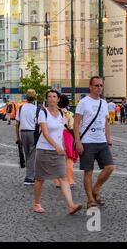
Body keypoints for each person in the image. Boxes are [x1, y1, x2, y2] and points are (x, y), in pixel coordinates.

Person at [33, 90, 82, 215]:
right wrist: (56, 147)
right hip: (44, 150)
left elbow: (61, 133)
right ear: (46, 99)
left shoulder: (61, 113)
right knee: (40, 179)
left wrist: (64, 148)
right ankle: (37, 204)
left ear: (58, 99)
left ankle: (71, 205)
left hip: (58, 151)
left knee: (63, 177)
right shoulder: (43, 113)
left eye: (54, 97)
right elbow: (45, 132)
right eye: (49, 97)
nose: (52, 99)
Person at [74, 76, 115, 208]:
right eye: (96, 85)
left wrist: (109, 143)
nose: (99, 88)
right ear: (90, 87)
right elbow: (76, 124)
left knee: (110, 167)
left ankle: (96, 188)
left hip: (102, 141)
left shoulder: (104, 103)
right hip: (87, 141)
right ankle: (90, 199)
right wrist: (78, 142)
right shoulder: (84, 102)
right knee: (88, 171)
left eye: (101, 85)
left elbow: (106, 124)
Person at [15, 89, 40, 186]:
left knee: (27, 155)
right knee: (32, 156)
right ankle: (29, 178)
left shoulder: (21, 108)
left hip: (23, 133)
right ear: (35, 98)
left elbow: (17, 124)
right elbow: (39, 124)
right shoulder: (36, 109)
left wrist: (17, 137)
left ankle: (31, 175)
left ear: (26, 97)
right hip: (33, 133)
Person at [55, 94, 79, 188]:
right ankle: (70, 180)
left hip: (57, 136)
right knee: (69, 159)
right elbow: (71, 127)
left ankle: (58, 181)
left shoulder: (54, 113)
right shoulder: (69, 114)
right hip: (67, 136)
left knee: (57, 159)